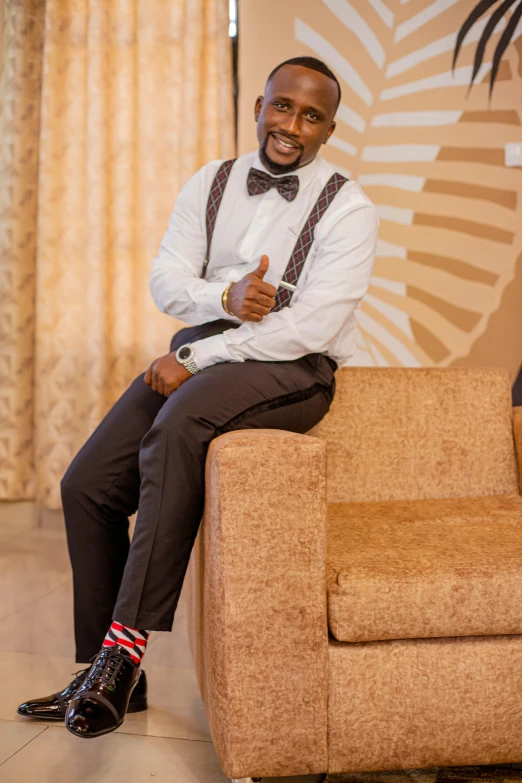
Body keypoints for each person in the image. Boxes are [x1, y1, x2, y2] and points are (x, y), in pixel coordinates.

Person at [18, 55, 378, 738]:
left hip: (294, 369)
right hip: (205, 351)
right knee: (87, 484)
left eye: (309, 116)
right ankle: (99, 664)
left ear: (330, 128)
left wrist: (196, 354)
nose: (290, 125)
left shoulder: (350, 211)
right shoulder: (211, 182)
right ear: (259, 107)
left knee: (178, 423)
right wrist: (224, 299)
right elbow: (166, 279)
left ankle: (122, 658)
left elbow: (310, 327)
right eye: (281, 106)